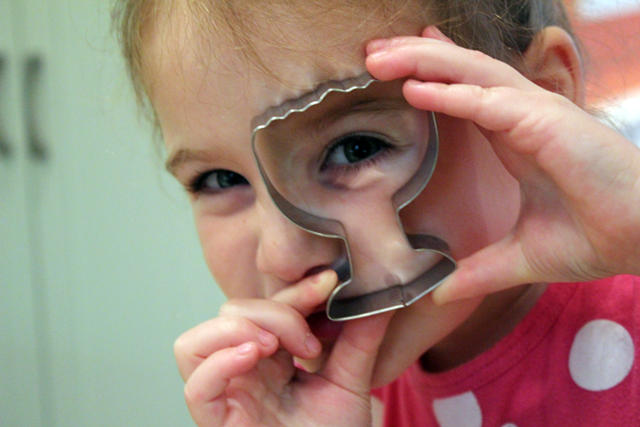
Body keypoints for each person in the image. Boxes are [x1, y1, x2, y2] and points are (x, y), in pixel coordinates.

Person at [113, 0, 640, 425]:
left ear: (544, 96)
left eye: (356, 148)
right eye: (221, 180)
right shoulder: (331, 401)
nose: (283, 253)